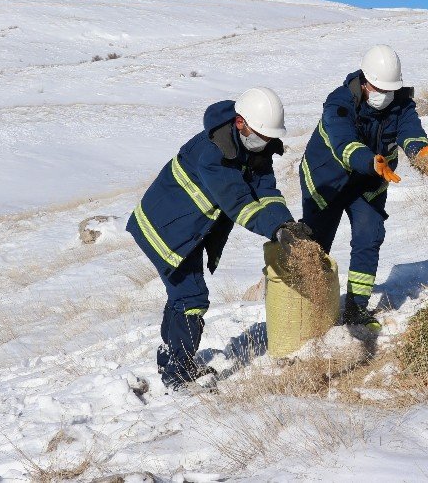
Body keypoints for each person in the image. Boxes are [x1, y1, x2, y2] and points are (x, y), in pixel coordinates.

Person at [127, 87, 312, 390]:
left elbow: (265, 190)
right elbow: (240, 203)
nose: (265, 142)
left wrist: (286, 224)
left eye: (268, 137)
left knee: (182, 296)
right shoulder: (213, 153)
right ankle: (179, 375)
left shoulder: (255, 148)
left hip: (188, 229)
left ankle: (170, 355)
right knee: (191, 298)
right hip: (165, 229)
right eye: (261, 135)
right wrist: (275, 231)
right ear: (240, 123)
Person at [299, 45, 428, 330]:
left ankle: (356, 308)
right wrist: (369, 161)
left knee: (370, 236)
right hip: (326, 182)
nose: (384, 94)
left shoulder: (401, 104)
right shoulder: (339, 101)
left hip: (368, 184)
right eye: (378, 87)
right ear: (364, 81)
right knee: (316, 247)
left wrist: (422, 151)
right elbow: (344, 143)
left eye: (389, 89)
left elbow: (410, 132)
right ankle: (310, 311)